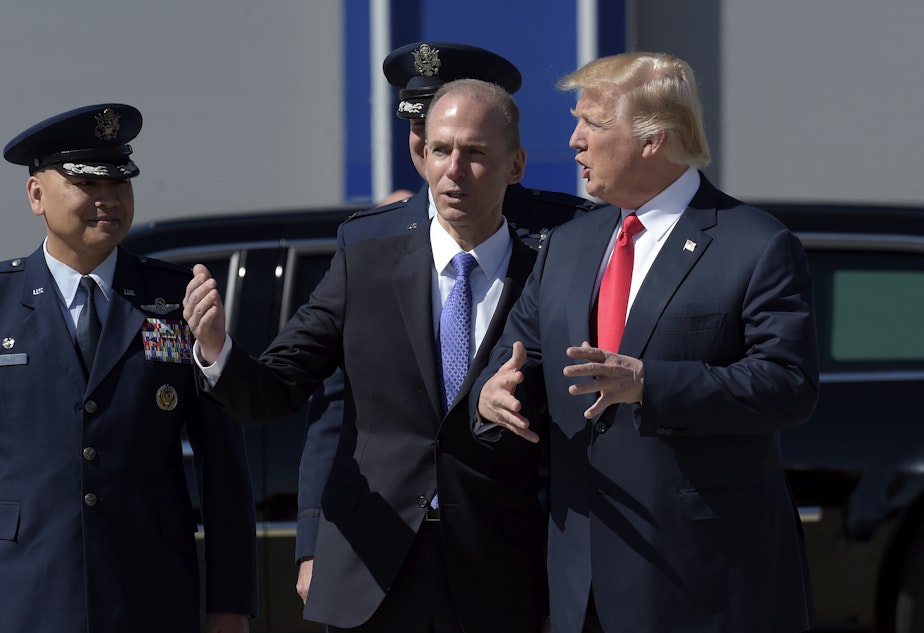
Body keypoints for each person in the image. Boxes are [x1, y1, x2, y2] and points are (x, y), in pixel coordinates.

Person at [186, 79, 549, 633]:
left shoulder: (551, 270)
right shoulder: (366, 262)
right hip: (375, 570)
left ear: (516, 165)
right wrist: (216, 349)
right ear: (422, 156)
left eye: (475, 153)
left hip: (503, 573)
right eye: (440, 150)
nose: (454, 169)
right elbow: (276, 387)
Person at [475, 52, 819, 633]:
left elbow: (787, 385)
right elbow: (518, 355)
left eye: (592, 123)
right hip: (578, 578)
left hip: (700, 579)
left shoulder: (755, 244)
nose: (574, 140)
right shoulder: (568, 244)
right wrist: (494, 394)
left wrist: (649, 383)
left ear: (654, 139)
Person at [294, 40, 595, 607]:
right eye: (421, 127)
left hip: (508, 555)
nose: (439, 154)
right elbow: (336, 406)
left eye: (471, 142)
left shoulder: (564, 237)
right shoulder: (369, 241)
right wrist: (313, 539)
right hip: (381, 559)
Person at [0, 104, 258, 633]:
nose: (108, 200)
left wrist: (229, 603)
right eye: (86, 183)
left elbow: (224, 468)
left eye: (120, 182)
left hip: (150, 593)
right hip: (25, 592)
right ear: (36, 195)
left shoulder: (176, 298)